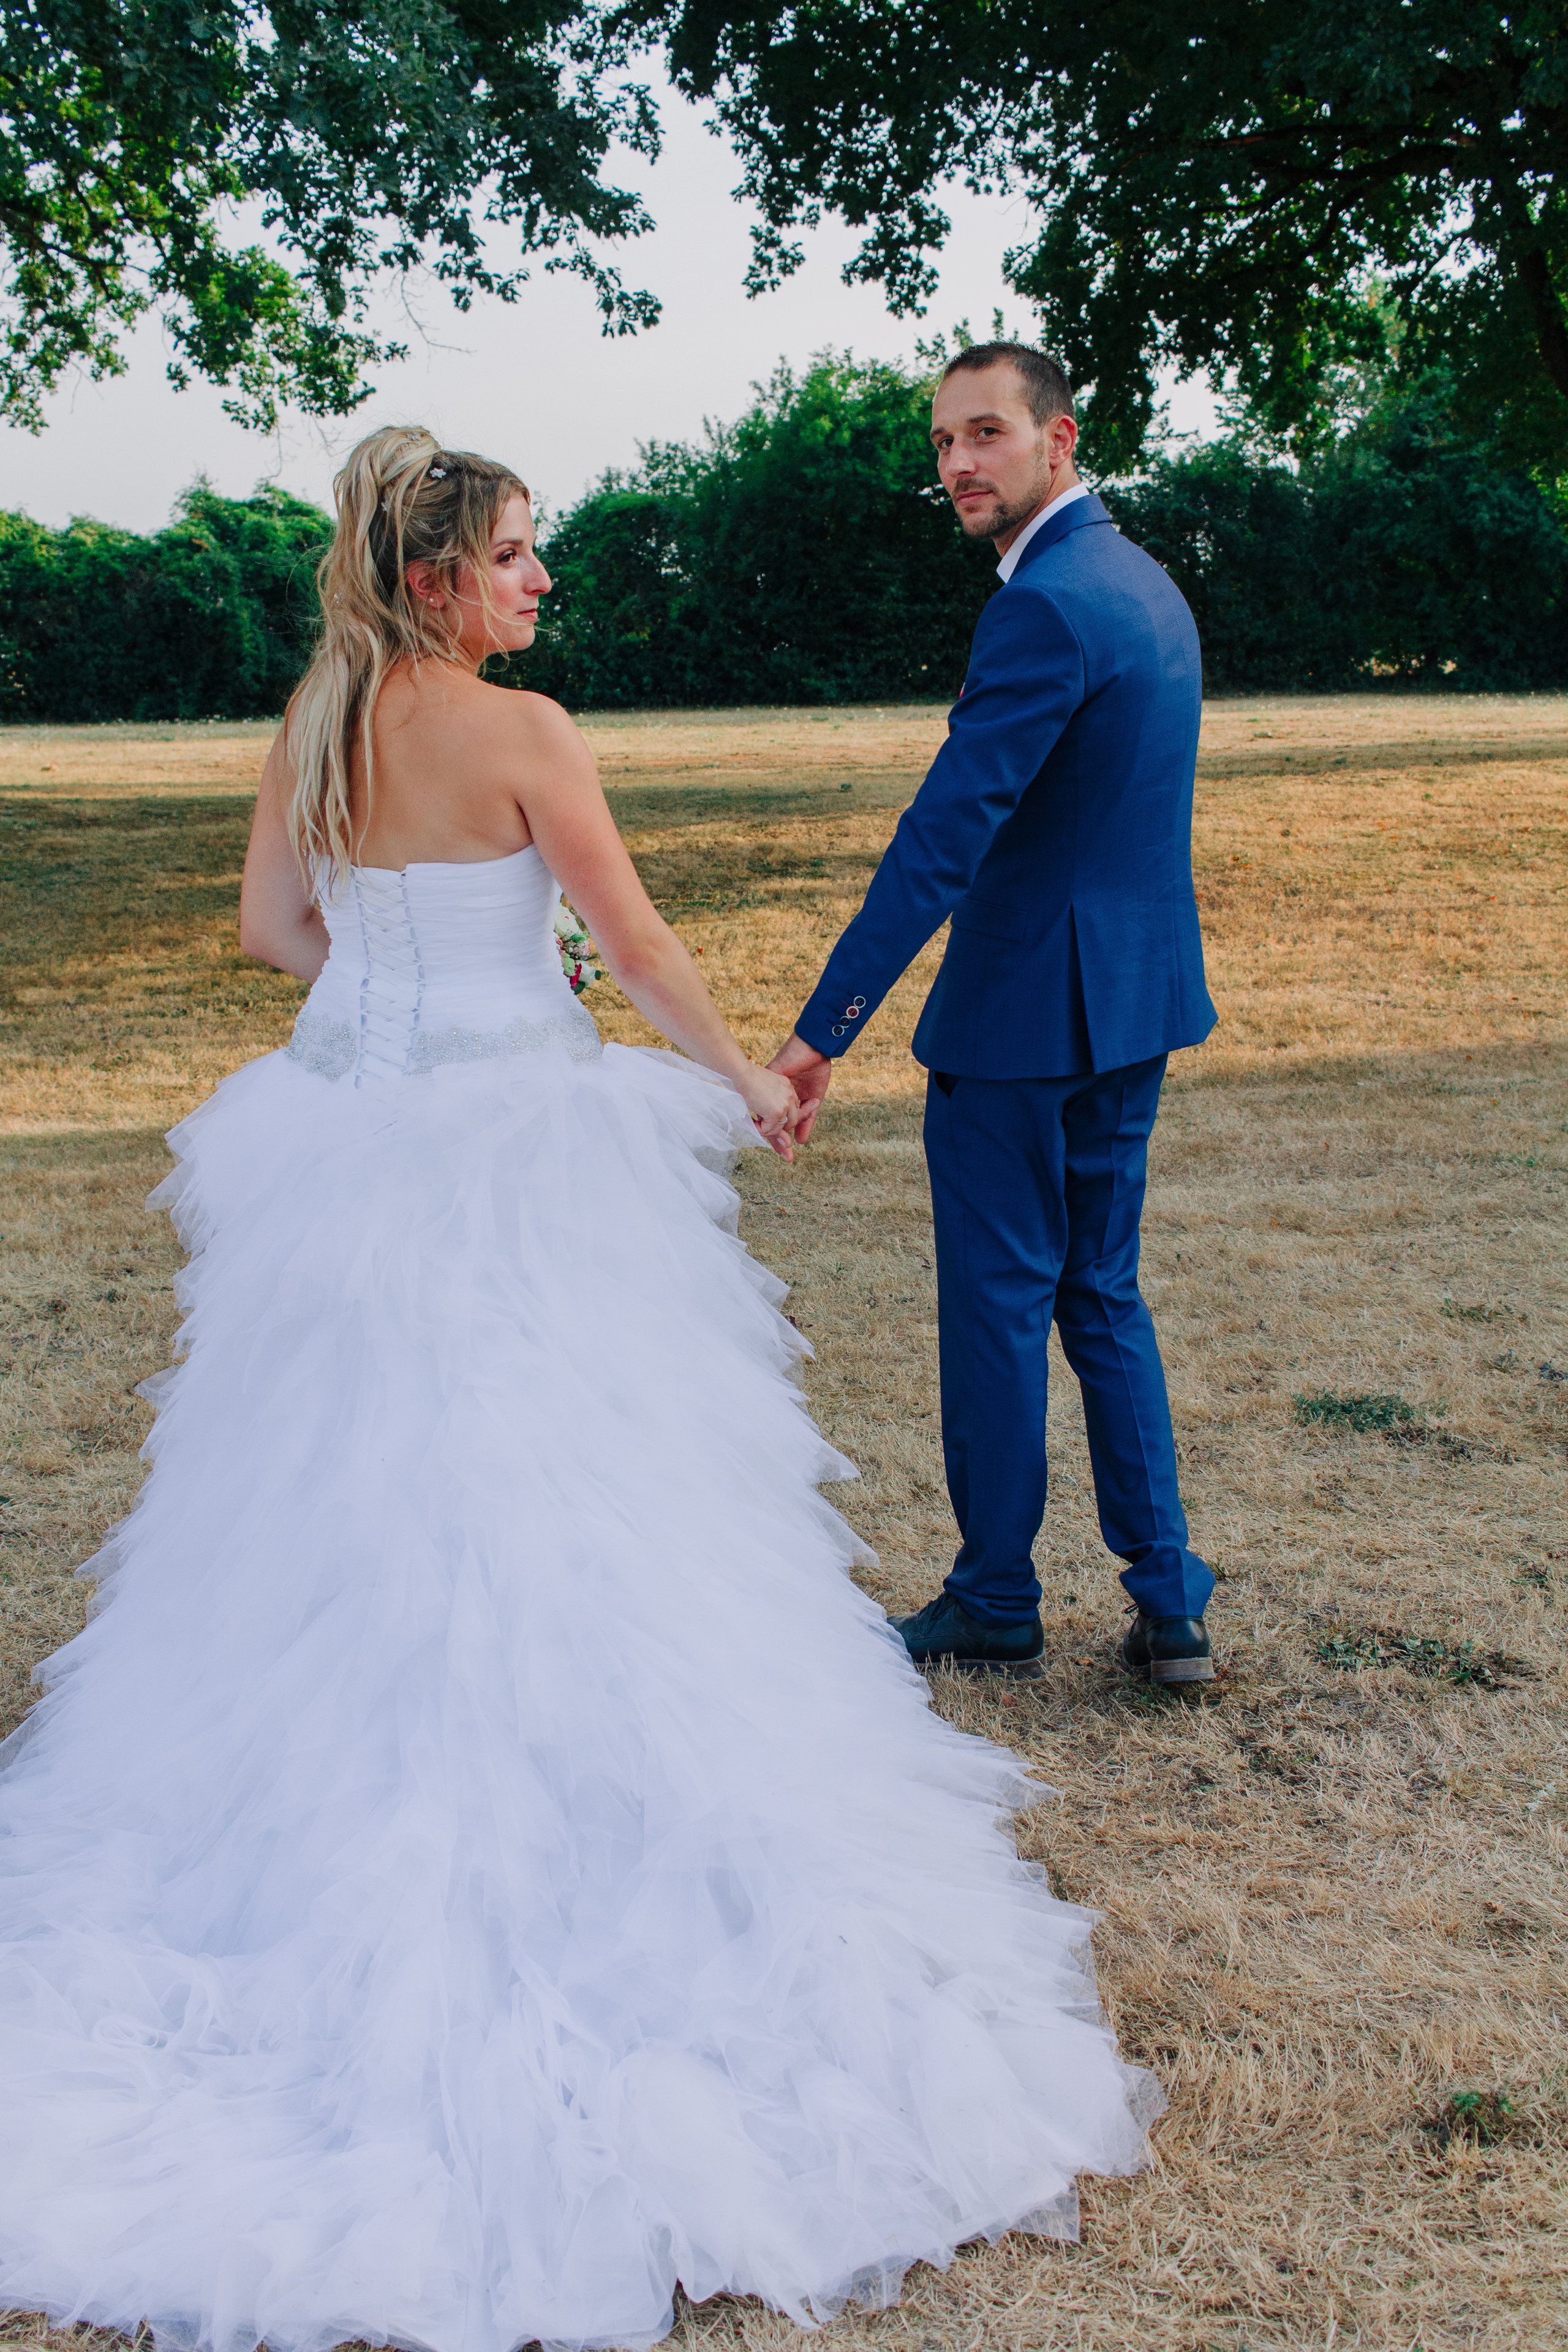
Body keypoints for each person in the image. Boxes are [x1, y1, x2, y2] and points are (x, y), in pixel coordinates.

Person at [0, 425, 1160, 2352]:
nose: (546, 581)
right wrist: (743, 1080)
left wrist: (403, 959)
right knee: (587, 1488)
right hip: (520, 1147)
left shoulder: (311, 728)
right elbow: (627, 943)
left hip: (341, 1146)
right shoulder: (526, 732)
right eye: (523, 555)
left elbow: (273, 938)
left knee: (328, 1491)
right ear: (445, 578)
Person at [771, 344, 1218, 1687]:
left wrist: (821, 1028)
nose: (957, 464)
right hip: (1131, 1005)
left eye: (984, 435)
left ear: (1056, 439)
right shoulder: (1144, 585)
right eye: (943, 445)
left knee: (998, 1311)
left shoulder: (1043, 605)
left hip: (1024, 1022)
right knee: (1102, 1294)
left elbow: (941, 838)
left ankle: (993, 1598)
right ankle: (1168, 1600)